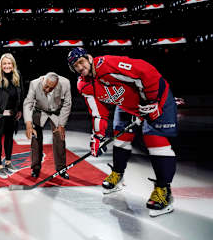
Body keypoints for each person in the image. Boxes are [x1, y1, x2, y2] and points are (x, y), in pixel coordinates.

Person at [67, 47, 178, 217]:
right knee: (120, 139)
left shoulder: (108, 64)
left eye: (81, 62)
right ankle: (118, 175)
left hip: (157, 98)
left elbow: (145, 70)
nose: (80, 67)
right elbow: (98, 113)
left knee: (155, 142)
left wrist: (152, 100)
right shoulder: (83, 85)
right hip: (127, 106)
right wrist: (98, 136)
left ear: (89, 58)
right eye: (76, 66)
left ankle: (164, 190)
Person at [23, 72, 72, 179]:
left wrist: (61, 124)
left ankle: (61, 168)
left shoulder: (65, 83)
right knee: (35, 137)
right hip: (39, 110)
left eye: (51, 88)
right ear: (43, 80)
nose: (47, 90)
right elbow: (28, 103)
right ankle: (35, 167)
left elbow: (67, 104)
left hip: (56, 111)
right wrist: (28, 123)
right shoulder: (34, 84)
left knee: (60, 137)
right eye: (46, 87)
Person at [0, 53, 24, 179]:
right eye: (4, 63)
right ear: (1, 65)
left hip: (12, 115)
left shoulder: (17, 76)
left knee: (9, 138)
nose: (7, 66)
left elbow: (21, 95)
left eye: (9, 63)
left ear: (13, 65)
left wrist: (19, 110)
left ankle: (8, 162)